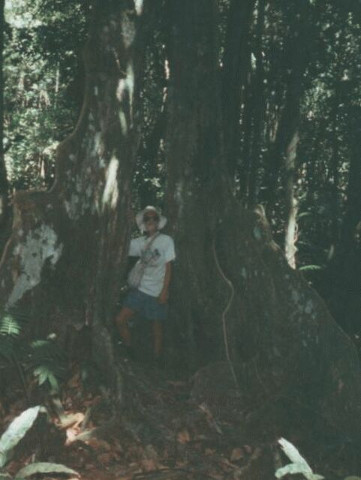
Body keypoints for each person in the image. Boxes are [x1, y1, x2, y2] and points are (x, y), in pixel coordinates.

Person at [115, 206, 175, 363]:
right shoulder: (139, 243)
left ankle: (156, 360)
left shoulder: (166, 241)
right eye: (147, 218)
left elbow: (169, 268)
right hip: (140, 290)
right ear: (143, 222)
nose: (150, 221)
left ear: (158, 221)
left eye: (154, 218)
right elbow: (120, 245)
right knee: (120, 320)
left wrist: (164, 291)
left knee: (156, 327)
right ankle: (131, 351)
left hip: (156, 292)